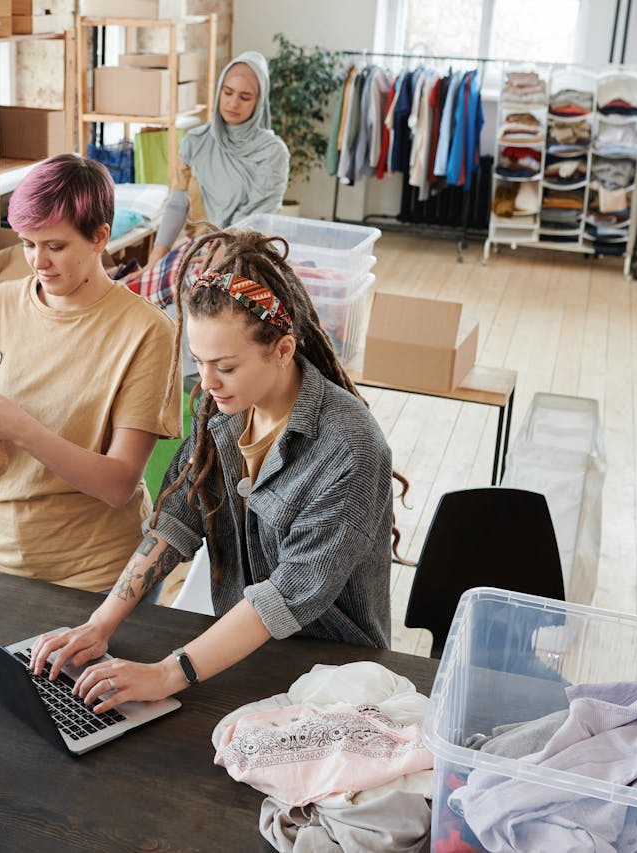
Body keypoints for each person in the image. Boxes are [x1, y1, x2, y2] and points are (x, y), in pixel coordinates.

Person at [30, 226, 396, 713]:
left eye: (224, 366)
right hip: (237, 657)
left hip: (333, 683)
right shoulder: (224, 412)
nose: (207, 383)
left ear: (283, 349)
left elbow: (283, 598)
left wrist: (166, 673)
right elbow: (177, 520)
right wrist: (100, 624)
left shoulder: (350, 448)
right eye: (199, 362)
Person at [0, 154, 181, 592]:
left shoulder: (147, 331)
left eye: (56, 246)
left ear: (99, 238)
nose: (38, 261)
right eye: (28, 243)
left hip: (97, 581)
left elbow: (119, 483)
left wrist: (21, 429)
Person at [145, 51, 291, 268]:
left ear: (259, 103)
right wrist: (155, 260)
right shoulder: (196, 141)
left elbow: (254, 220)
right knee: (136, 290)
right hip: (199, 248)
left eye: (245, 97)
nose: (233, 103)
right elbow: (178, 204)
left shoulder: (272, 153)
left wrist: (218, 260)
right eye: (227, 92)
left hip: (247, 255)